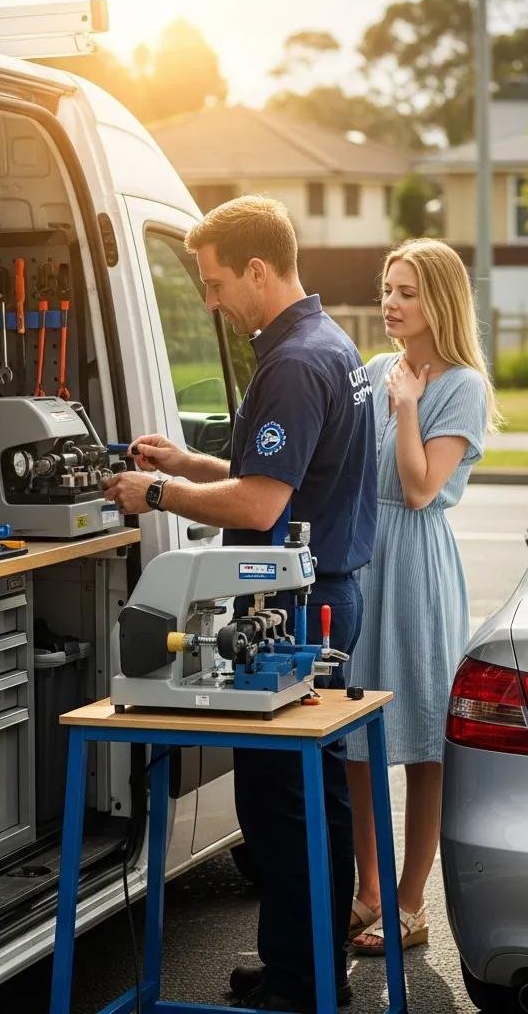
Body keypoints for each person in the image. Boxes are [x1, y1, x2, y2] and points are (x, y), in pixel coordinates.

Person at [102, 195, 377, 1012]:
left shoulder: (292, 362)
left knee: (280, 803)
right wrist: (190, 462)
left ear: (259, 270)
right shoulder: (326, 345)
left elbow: (262, 507)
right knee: (311, 795)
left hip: (291, 605)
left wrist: (156, 490)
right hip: (326, 594)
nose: (212, 300)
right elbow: (281, 477)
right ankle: (312, 964)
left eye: (217, 283)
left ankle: (300, 983)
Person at [344, 239, 498, 957]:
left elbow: (418, 487)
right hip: (363, 561)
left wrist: (407, 406)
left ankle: (410, 904)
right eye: (386, 287)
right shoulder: (374, 369)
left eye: (405, 291)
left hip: (417, 568)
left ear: (437, 300)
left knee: (423, 744)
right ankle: (366, 891)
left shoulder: (462, 385)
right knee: (355, 733)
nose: (390, 303)